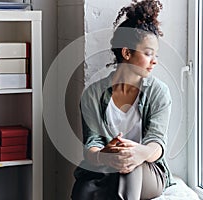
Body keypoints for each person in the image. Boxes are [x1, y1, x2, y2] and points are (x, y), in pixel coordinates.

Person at [71, 0, 174, 199]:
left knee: (130, 167)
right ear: (127, 53)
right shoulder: (92, 94)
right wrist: (104, 155)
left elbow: (157, 144)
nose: (155, 61)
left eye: (155, 55)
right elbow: (91, 144)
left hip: (148, 170)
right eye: (148, 54)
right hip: (106, 167)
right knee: (83, 191)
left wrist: (136, 152)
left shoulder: (159, 93)